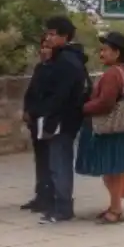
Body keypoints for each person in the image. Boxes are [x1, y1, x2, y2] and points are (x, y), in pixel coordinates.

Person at [79, 31, 124, 225]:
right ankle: (114, 206)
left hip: (110, 129)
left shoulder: (113, 74)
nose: (101, 54)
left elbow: (106, 103)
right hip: (121, 129)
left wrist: (82, 108)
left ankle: (116, 209)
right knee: (115, 170)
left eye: (105, 50)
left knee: (112, 171)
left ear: (116, 52)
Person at [36, 16, 87, 224]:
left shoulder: (66, 61)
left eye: (52, 34)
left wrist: (49, 118)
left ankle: (63, 208)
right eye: (47, 33)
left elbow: (61, 95)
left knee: (60, 163)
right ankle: (60, 205)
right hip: (62, 118)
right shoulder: (64, 58)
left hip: (62, 120)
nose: (48, 37)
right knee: (56, 162)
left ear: (64, 37)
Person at [21, 38, 55, 212]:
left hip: (46, 120)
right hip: (35, 120)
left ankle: (50, 196)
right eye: (42, 47)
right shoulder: (40, 68)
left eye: (48, 47)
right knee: (40, 159)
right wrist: (27, 110)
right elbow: (31, 92)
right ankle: (40, 194)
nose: (43, 51)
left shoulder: (55, 70)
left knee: (49, 159)